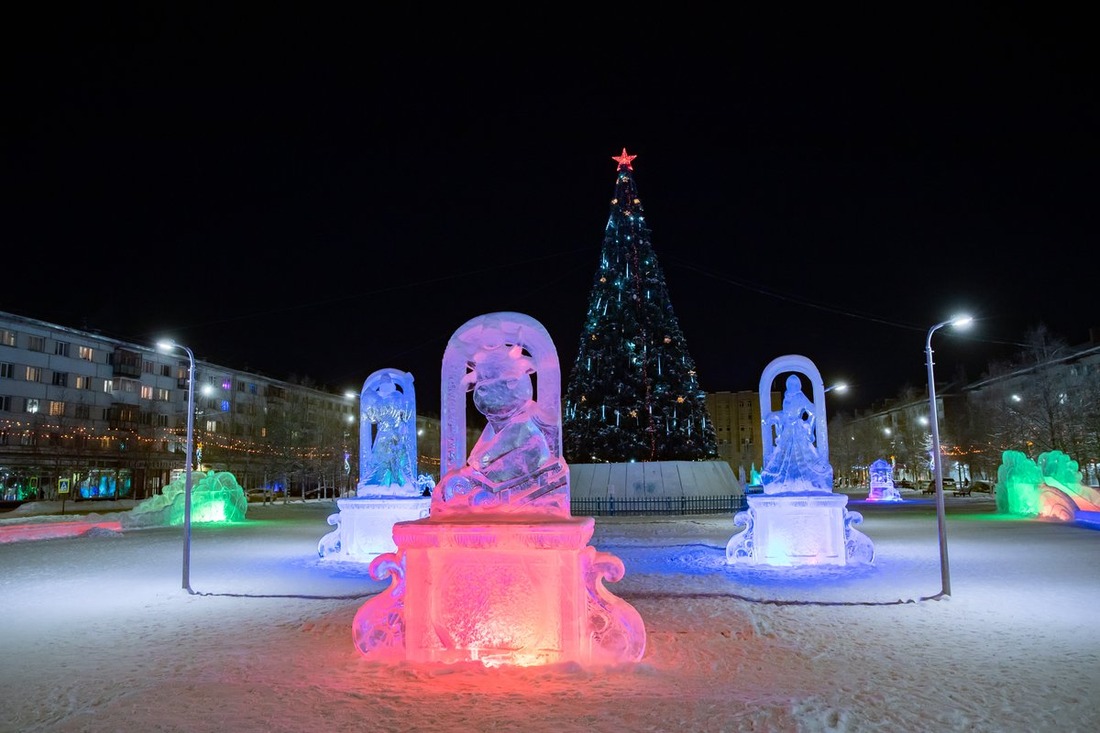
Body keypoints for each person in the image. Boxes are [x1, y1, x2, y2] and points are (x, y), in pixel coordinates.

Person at [760, 374, 833, 492]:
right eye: (789, 384)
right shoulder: (787, 396)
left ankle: (808, 483)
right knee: (782, 456)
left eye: (794, 384)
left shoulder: (800, 397)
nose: (791, 386)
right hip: (787, 431)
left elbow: (813, 411)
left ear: (798, 385)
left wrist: (808, 426)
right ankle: (783, 483)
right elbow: (785, 414)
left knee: (803, 456)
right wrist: (774, 417)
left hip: (797, 431)